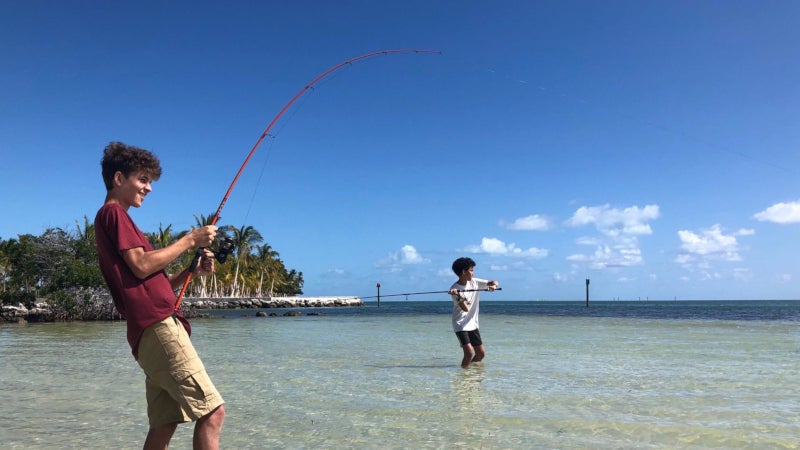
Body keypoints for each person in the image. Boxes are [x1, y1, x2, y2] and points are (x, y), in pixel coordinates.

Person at [94, 141, 225, 450]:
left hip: (147, 333)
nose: (149, 188)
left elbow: (153, 283)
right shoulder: (114, 214)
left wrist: (192, 272)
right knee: (213, 413)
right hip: (158, 328)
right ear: (118, 179)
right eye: (143, 179)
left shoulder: (114, 219)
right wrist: (191, 239)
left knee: (165, 423)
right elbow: (141, 266)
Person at [448, 257, 499, 368]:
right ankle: (463, 376)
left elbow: (494, 281)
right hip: (460, 324)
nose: (473, 273)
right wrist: (457, 295)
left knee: (481, 354)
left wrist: (493, 286)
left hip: (473, 323)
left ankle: (470, 373)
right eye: (471, 270)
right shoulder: (454, 289)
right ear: (463, 272)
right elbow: (465, 308)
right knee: (469, 353)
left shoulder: (475, 282)